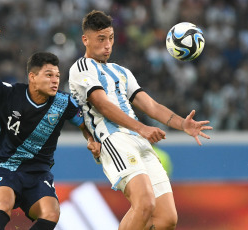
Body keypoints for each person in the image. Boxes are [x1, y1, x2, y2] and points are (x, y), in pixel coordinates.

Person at [69, 10, 213, 230]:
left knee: (166, 219)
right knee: (144, 204)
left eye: (110, 38)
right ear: (85, 39)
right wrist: (142, 127)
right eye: (101, 39)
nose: (107, 45)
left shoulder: (121, 71)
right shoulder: (81, 68)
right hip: (113, 138)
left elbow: (151, 105)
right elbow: (102, 104)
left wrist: (181, 123)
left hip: (139, 139)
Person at [0, 29, 100, 230]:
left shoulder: (64, 103)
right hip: (5, 166)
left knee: (51, 213)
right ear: (32, 77)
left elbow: (85, 125)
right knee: (3, 206)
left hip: (38, 173)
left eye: (57, 75)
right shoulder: (10, 94)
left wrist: (91, 140)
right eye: (49, 75)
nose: (55, 80)